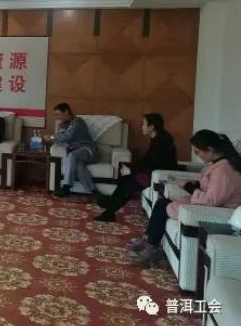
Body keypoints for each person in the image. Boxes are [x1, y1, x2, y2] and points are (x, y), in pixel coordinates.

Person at [129, 130, 241, 267]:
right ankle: (149, 240)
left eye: (198, 152)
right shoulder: (221, 165)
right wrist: (194, 186)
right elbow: (214, 189)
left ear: (210, 149)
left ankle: (152, 246)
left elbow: (212, 200)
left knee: (162, 207)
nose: (197, 156)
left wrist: (189, 187)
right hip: (211, 205)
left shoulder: (224, 170)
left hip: (217, 211)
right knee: (162, 203)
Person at [95, 113, 179, 221]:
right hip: (153, 171)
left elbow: (151, 164)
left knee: (128, 184)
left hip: (161, 176)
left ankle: (110, 205)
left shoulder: (161, 142)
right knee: (125, 176)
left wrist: (131, 170)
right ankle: (110, 209)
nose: (142, 127)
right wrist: (131, 168)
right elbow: (146, 159)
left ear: (151, 127)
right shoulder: (158, 138)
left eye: (144, 124)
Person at [43, 103, 98, 197]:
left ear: (66, 112)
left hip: (88, 150)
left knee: (72, 155)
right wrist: (57, 139)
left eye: (58, 114)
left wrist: (52, 137)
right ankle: (94, 192)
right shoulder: (62, 125)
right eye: (55, 115)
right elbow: (60, 140)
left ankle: (66, 187)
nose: (57, 117)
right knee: (78, 166)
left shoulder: (78, 121)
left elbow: (68, 136)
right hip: (76, 154)